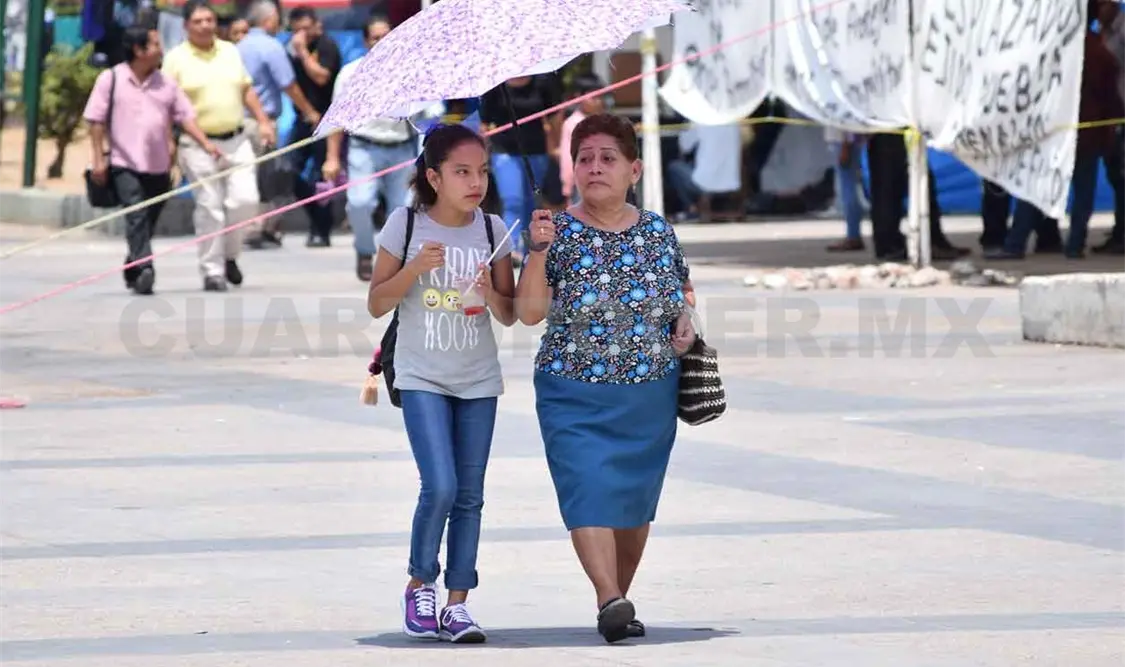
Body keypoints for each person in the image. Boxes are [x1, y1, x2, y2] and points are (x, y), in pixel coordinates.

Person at [514, 114, 697, 644]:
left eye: (607, 158)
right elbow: (528, 314)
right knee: (587, 491)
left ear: (633, 169)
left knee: (634, 504)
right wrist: (538, 251)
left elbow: (682, 295)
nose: (595, 167)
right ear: (571, 169)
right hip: (571, 390)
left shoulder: (658, 231)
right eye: (585, 158)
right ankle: (608, 597)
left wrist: (686, 326)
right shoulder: (555, 231)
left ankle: (617, 598)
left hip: (649, 391)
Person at [366, 124, 517, 644]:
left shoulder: (495, 229)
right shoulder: (403, 223)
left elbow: (511, 314)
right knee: (442, 486)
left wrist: (490, 294)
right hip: (421, 374)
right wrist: (413, 269)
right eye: (461, 172)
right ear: (433, 176)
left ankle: (457, 604)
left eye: (481, 171)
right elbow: (377, 302)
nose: (475, 182)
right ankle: (419, 582)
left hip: (478, 379)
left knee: (470, 496)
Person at [83, 24, 219, 296]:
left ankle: (133, 264)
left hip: (159, 167)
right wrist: (99, 159)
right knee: (136, 214)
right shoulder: (110, 80)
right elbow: (95, 120)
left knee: (147, 220)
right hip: (124, 163)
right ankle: (146, 270)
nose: (161, 50)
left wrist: (206, 143)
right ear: (139, 49)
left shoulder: (166, 83)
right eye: (155, 44)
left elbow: (185, 116)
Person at [162, 0, 275, 291]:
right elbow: (169, 107)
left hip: (237, 139)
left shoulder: (229, 51)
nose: (205, 26)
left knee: (245, 201)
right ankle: (212, 271)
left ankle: (229, 256)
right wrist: (172, 146)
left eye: (209, 20)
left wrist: (263, 120)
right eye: (198, 21)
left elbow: (245, 88)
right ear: (187, 25)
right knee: (210, 207)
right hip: (197, 145)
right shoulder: (175, 59)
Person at [323, 14, 415, 282]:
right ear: (366, 41)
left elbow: (429, 115)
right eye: (376, 37)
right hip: (364, 148)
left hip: (402, 149)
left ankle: (395, 259)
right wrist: (331, 158)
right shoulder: (351, 73)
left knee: (403, 209)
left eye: (387, 35)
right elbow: (336, 119)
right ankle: (364, 251)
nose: (383, 42)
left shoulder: (411, 73)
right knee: (359, 204)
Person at [238, 0, 322, 249]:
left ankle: (252, 226)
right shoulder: (271, 47)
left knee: (248, 175)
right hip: (261, 121)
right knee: (266, 178)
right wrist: (309, 111)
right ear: (269, 19)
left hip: (239, 120)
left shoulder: (238, 46)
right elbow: (288, 83)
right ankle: (258, 228)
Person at [479, 75, 563, 259]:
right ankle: (512, 249)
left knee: (532, 203)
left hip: (537, 152)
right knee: (513, 201)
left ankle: (530, 252)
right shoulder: (495, 85)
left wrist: (556, 146)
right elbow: (484, 123)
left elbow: (555, 116)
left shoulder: (542, 82)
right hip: (504, 153)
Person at [286, 6, 343, 247]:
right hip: (305, 119)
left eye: (306, 28)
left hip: (328, 119)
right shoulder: (291, 50)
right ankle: (315, 220)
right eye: (297, 29)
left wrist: (302, 52)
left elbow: (322, 77)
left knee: (323, 176)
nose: (302, 34)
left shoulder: (326, 46)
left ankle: (322, 229)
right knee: (292, 174)